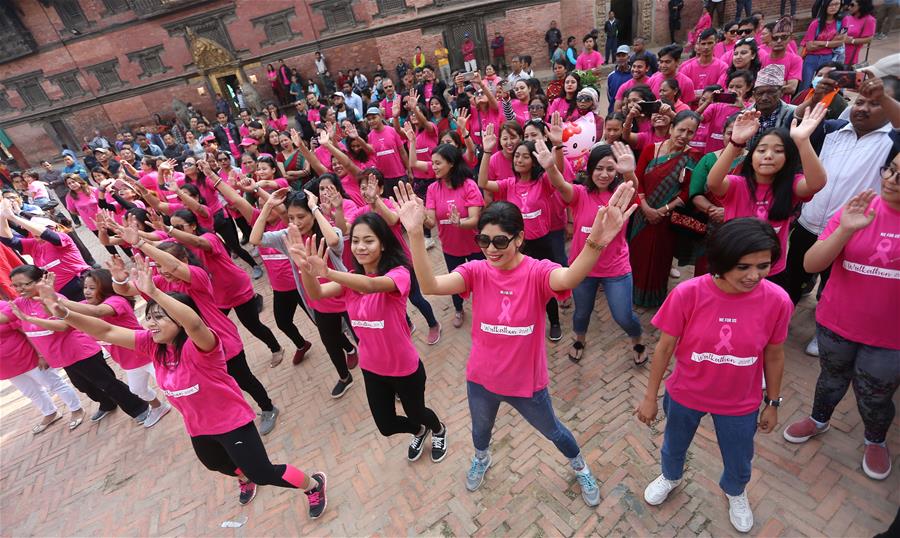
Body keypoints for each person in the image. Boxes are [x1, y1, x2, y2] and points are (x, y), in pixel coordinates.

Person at [396, 175, 636, 505]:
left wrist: (595, 242)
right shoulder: (476, 271)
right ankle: (482, 459)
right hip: (481, 381)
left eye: (500, 241)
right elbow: (430, 286)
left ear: (520, 238)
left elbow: (569, 277)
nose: (491, 249)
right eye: (484, 240)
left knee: (555, 432)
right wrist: (414, 235)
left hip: (527, 386)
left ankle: (579, 467)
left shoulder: (537, 272)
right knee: (480, 433)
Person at [43, 257, 328, 515]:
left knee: (264, 472)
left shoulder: (202, 345)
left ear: (179, 321)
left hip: (232, 424)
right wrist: (64, 312)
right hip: (198, 426)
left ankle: (313, 485)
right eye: (149, 317)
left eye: (159, 318)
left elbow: (193, 324)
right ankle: (244, 478)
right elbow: (105, 330)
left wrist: (154, 292)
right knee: (215, 464)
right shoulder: (153, 346)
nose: (150, 324)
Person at [635, 218, 792, 534]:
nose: (754, 276)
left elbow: (774, 354)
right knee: (674, 445)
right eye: (743, 266)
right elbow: (665, 349)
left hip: (740, 401)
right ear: (721, 261)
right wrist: (650, 397)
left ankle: (735, 490)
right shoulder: (688, 294)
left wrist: (772, 401)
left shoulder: (777, 300)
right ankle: (671, 476)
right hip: (686, 394)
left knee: (739, 455)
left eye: (763, 266)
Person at [290, 212, 449, 463]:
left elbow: (371, 285)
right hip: (372, 368)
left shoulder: (398, 274)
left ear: (383, 243)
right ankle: (420, 431)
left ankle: (438, 428)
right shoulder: (350, 281)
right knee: (386, 425)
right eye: (355, 241)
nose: (360, 247)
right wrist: (306, 270)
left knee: (417, 411)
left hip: (404, 367)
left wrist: (329, 273)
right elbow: (316, 293)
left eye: (369, 240)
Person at [782, 175, 899, 480]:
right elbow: (811, 264)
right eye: (892, 169)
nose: (893, 179)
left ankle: (875, 439)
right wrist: (845, 229)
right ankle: (819, 420)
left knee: (875, 395)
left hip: (890, 338)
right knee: (831, 378)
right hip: (837, 322)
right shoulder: (858, 208)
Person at [785, 74, 900, 353]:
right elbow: (797, 127)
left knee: (831, 284)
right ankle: (779, 318)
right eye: (860, 101)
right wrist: (818, 94)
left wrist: (882, 95)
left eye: (875, 104)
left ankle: (821, 332)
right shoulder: (834, 129)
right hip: (808, 223)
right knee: (791, 277)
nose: (863, 108)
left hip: (847, 231)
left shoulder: (892, 144)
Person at [7, 265, 151, 425]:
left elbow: (64, 326)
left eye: (24, 284)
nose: (19, 289)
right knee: (83, 386)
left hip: (81, 351)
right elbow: (5, 315)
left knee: (107, 383)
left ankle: (139, 408)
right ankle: (107, 404)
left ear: (40, 281)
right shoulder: (20, 303)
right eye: (15, 285)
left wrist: (30, 319)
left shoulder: (54, 298)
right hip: (61, 356)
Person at [707, 104, 829, 290]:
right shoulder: (737, 185)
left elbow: (816, 183)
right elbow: (714, 183)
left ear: (788, 158)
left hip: (772, 271)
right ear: (752, 156)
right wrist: (736, 143)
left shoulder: (792, 186)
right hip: (732, 265)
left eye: (778, 151)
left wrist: (803, 141)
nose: (769, 156)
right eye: (761, 150)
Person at [251, 189, 359, 398]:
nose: (296, 222)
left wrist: (314, 207)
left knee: (364, 338)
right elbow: (255, 239)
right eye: (291, 218)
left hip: (344, 295)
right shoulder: (287, 237)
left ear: (311, 214)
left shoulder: (326, 231)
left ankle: (385, 377)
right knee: (331, 343)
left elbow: (335, 242)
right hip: (318, 300)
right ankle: (345, 377)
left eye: (301, 217)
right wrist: (267, 206)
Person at [547, 142, 646, 364]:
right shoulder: (580, 194)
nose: (604, 174)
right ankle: (579, 339)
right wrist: (550, 167)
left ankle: (637, 338)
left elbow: (632, 187)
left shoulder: (620, 195)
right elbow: (560, 185)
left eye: (610, 169)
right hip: (583, 269)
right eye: (599, 168)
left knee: (623, 315)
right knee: (581, 312)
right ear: (590, 169)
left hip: (615, 268)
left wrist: (630, 171)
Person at [51, 268, 172, 427]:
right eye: (85, 287)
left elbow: (98, 311)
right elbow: (64, 320)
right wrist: (47, 303)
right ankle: (159, 407)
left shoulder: (116, 301)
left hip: (148, 352)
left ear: (106, 287)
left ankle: (198, 406)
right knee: (137, 390)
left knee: (170, 384)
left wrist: (60, 301)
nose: (87, 291)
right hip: (129, 362)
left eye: (92, 288)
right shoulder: (85, 306)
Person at [478, 131, 567, 340]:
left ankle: (554, 321)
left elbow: (559, 174)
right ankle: (525, 320)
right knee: (520, 286)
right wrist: (487, 151)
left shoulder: (543, 182)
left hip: (542, 243)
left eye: (525, 156)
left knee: (547, 284)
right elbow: (483, 182)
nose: (519, 159)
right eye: (517, 155)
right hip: (518, 246)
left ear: (534, 159)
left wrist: (556, 150)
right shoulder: (509, 184)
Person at [628, 110, 702, 307]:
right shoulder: (651, 150)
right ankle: (632, 294)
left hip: (667, 219)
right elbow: (638, 180)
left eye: (690, 132)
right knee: (637, 254)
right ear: (671, 128)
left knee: (661, 258)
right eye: (681, 130)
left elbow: (688, 191)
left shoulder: (693, 157)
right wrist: (645, 207)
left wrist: (663, 210)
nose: (684, 136)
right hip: (641, 214)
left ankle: (654, 297)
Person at [0, 300, 83, 433]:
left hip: (26, 357)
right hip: (6, 367)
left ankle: (76, 409)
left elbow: (26, 330)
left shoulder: (4, 308)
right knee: (30, 392)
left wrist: (41, 355)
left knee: (53, 384)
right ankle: (50, 412)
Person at [800, 0, 846, 90]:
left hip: (828, 58)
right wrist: (830, 43)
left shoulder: (840, 23)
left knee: (822, 86)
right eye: (831, 5)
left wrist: (818, 42)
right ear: (825, 5)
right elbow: (809, 46)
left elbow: (840, 42)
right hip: (811, 58)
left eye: (837, 4)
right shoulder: (816, 23)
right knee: (805, 85)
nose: (834, 7)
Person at [748, 64, 797, 147]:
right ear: (754, 94)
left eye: (771, 92)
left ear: (781, 92)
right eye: (760, 93)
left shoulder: (794, 114)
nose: (764, 98)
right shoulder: (745, 114)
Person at [679, 30, 729, 102]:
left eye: (710, 43)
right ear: (698, 45)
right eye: (703, 44)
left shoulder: (723, 67)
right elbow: (682, 94)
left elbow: (720, 93)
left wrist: (694, 95)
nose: (706, 47)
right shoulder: (687, 68)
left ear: (716, 43)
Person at [763, 18, 803, 99]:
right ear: (770, 38)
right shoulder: (763, 58)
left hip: (782, 106)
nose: (779, 41)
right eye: (775, 38)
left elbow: (791, 88)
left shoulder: (796, 60)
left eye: (784, 37)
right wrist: (783, 82)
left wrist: (767, 84)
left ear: (790, 38)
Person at [843, 0, 877, 66]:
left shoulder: (869, 20)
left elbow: (869, 39)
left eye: (852, 5)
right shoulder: (847, 18)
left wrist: (851, 41)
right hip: (837, 52)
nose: (849, 7)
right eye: (849, 5)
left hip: (850, 56)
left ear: (861, 6)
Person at [606, 47, 632, 115]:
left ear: (628, 57)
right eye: (618, 56)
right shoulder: (611, 76)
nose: (621, 58)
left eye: (623, 55)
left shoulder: (634, 75)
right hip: (613, 113)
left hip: (630, 112)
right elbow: (610, 96)